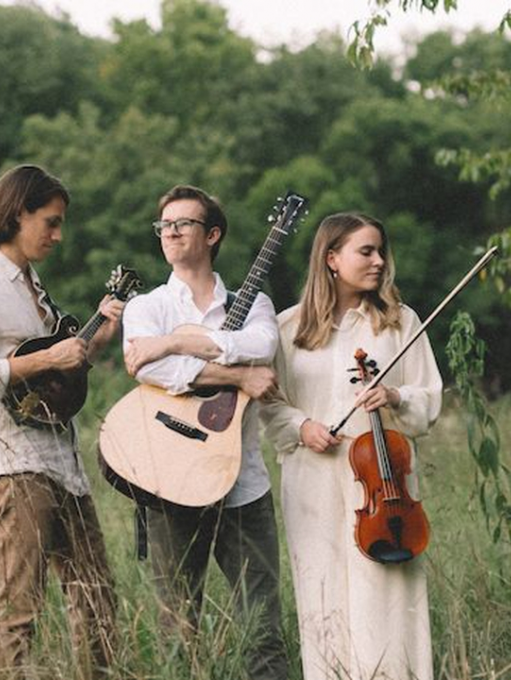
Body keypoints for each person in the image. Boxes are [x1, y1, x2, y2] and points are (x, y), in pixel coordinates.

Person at [0, 165, 121, 680]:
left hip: (62, 465)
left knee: (97, 599)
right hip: (12, 467)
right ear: (16, 214)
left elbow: (53, 377)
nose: (58, 235)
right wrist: (44, 361)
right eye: (51, 221)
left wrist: (92, 342)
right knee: (20, 609)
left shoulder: (33, 288)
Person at [260, 212, 442, 680]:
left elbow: (429, 397)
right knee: (321, 592)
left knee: (386, 596)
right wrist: (302, 427)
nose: (379, 261)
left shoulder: (400, 323)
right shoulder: (286, 328)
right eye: (367, 251)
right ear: (332, 258)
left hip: (384, 487)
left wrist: (396, 395)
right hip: (313, 481)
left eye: (382, 251)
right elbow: (271, 405)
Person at [122, 185, 289, 679]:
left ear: (212, 234)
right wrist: (235, 373)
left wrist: (177, 346)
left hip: (244, 485)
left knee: (262, 624)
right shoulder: (147, 307)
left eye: (182, 224)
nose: (170, 233)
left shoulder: (253, 301)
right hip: (170, 481)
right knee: (178, 626)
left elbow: (261, 344)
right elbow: (153, 371)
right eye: (164, 226)